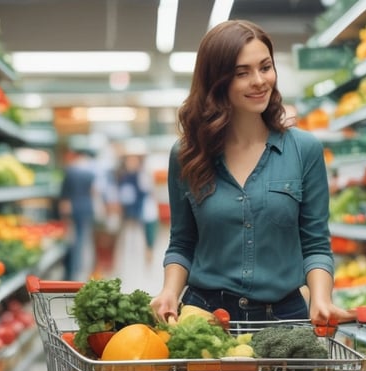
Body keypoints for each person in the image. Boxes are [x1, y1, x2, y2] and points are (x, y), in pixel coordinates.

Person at [150, 19, 352, 325]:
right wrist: (169, 291)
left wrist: (321, 298)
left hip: (285, 319)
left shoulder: (304, 150)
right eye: (241, 73)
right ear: (216, 82)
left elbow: (315, 244)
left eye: (265, 67)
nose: (259, 80)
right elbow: (182, 243)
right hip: (205, 317)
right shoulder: (187, 155)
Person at [59, 143, 98, 281]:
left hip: (73, 208)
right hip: (86, 208)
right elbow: (93, 192)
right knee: (84, 240)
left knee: (74, 241)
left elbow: (65, 194)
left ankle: (73, 271)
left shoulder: (71, 171)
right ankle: (82, 270)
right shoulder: (90, 172)